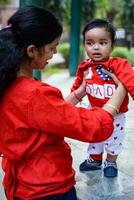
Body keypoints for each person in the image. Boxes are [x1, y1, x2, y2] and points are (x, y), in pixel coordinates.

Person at [0, 7, 127, 200]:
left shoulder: (6, 84)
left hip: (18, 185)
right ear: (32, 51)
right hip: (47, 188)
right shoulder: (34, 94)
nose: (54, 53)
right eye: (52, 47)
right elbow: (92, 127)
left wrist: (77, 93)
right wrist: (120, 91)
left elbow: (47, 114)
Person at [71, 19, 134, 178]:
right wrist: (71, 105)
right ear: (84, 45)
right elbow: (78, 85)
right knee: (95, 137)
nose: (96, 47)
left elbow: (131, 81)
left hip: (116, 115)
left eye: (102, 42)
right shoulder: (84, 66)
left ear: (112, 46)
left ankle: (111, 162)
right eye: (90, 43)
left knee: (114, 140)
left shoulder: (119, 65)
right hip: (94, 112)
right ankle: (95, 160)